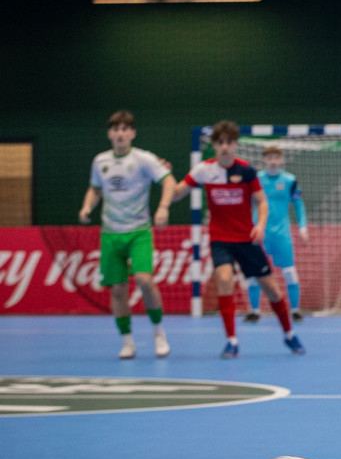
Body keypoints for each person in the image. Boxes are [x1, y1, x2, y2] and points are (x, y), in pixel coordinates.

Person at [170, 121, 304, 358]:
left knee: (272, 289)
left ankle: (289, 334)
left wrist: (260, 226)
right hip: (220, 239)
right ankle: (231, 341)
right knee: (224, 280)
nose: (224, 147)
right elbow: (177, 193)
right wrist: (166, 177)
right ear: (214, 145)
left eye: (229, 142)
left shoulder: (246, 171)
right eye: (220, 142)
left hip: (246, 238)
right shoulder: (204, 170)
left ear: (235, 145)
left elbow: (261, 202)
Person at [78, 110, 176, 359]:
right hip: (111, 234)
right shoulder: (100, 161)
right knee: (118, 289)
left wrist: (163, 207)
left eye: (125, 129)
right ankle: (127, 342)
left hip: (139, 232)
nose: (120, 133)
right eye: (116, 129)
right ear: (109, 134)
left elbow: (168, 180)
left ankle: (159, 333)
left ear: (133, 133)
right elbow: (95, 189)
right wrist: (87, 206)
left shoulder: (144, 159)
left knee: (144, 280)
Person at [244, 145, 309, 323]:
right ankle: (254, 311)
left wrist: (303, 227)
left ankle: (295, 310)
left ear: (282, 160)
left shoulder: (289, 180)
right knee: (254, 274)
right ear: (264, 159)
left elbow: (298, 205)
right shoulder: (256, 179)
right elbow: (246, 203)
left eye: (276, 157)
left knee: (289, 272)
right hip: (260, 233)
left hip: (282, 235)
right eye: (270, 157)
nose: (273, 161)